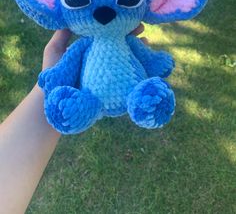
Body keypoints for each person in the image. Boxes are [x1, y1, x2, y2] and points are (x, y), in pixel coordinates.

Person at [0, 24, 147, 214]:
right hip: (91, 96)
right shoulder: (84, 44)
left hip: (131, 90)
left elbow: (147, 58)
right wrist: (55, 79)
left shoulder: (127, 42)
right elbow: (67, 64)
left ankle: (145, 100)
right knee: (78, 106)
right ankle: (75, 108)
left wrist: (155, 62)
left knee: (147, 95)